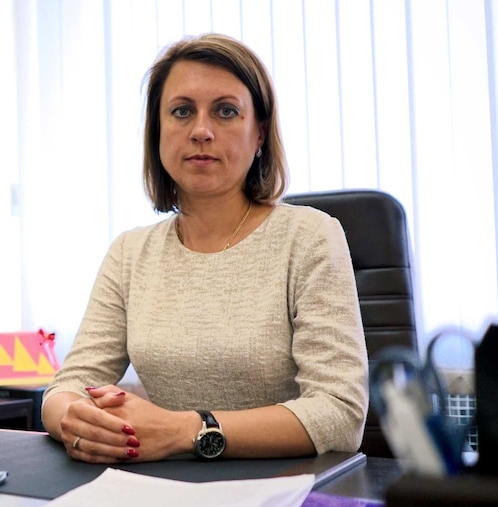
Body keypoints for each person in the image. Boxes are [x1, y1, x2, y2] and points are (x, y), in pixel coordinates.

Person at [41, 33, 368, 464]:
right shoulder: (130, 253)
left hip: (286, 497)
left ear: (259, 135)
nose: (200, 131)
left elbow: (340, 413)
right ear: (158, 133)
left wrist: (186, 430)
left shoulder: (310, 237)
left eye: (226, 111)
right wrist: (77, 420)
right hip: (162, 493)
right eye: (181, 112)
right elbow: (69, 386)